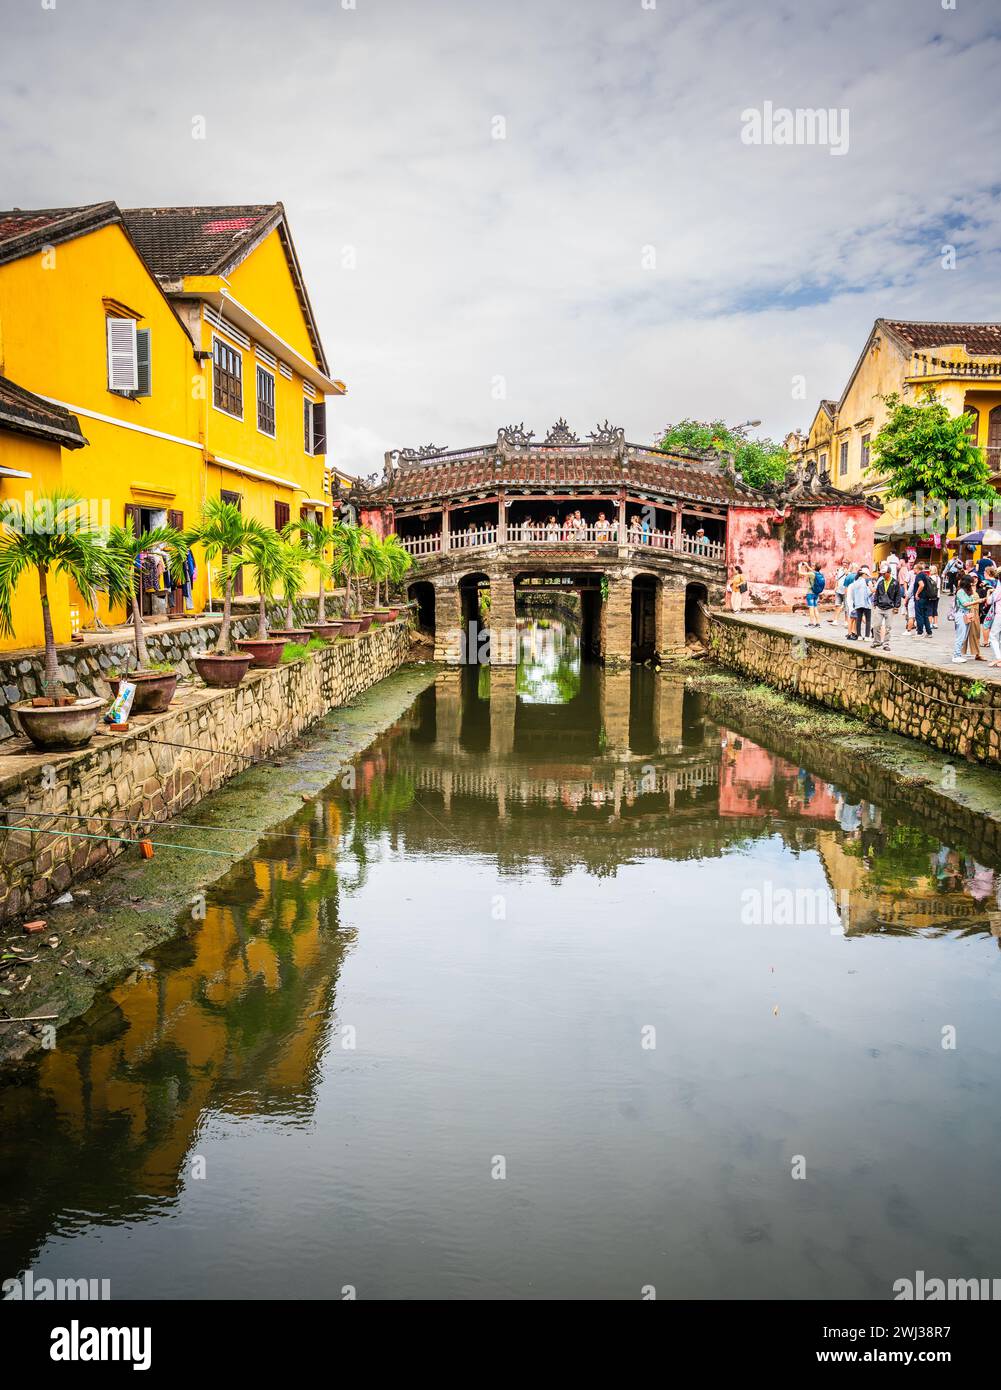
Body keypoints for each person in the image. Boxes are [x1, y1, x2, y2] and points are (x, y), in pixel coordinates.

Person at [953, 574, 984, 663]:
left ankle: (958, 654)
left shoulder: (967, 591)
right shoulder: (960, 592)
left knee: (964, 636)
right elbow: (965, 604)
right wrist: (977, 601)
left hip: (967, 614)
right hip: (962, 614)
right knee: (960, 636)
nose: (972, 584)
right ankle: (956, 655)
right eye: (970, 583)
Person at [871, 562, 901, 649]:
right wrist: (875, 604)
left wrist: (896, 606)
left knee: (888, 627)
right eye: (882, 573)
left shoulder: (895, 583)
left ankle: (886, 643)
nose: (883, 575)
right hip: (879, 607)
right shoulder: (880, 582)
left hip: (890, 608)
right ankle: (877, 641)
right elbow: (877, 594)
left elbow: (898, 595)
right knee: (876, 626)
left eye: (884, 573)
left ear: (889, 573)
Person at [847, 565, 872, 640]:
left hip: (857, 604)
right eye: (867, 575)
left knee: (858, 620)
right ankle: (867, 636)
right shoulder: (865, 582)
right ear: (864, 574)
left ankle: (859, 636)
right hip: (866, 604)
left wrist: (855, 602)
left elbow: (853, 594)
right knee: (868, 620)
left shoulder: (855, 582)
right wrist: (872, 590)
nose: (868, 577)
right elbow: (867, 593)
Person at [912, 562, 936, 640]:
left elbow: (921, 585)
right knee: (925, 615)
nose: (913, 570)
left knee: (919, 615)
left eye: (914, 568)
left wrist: (916, 594)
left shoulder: (919, 576)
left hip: (920, 598)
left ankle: (920, 632)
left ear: (917, 569)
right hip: (926, 598)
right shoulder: (925, 575)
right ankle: (929, 632)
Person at [801, 560, 825, 627]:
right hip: (816, 593)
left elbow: (800, 573)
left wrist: (799, 566)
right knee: (815, 608)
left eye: (813, 566)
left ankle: (811, 623)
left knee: (811, 608)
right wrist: (807, 566)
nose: (812, 567)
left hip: (810, 593)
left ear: (815, 567)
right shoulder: (820, 574)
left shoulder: (811, 574)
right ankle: (818, 623)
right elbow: (812, 570)